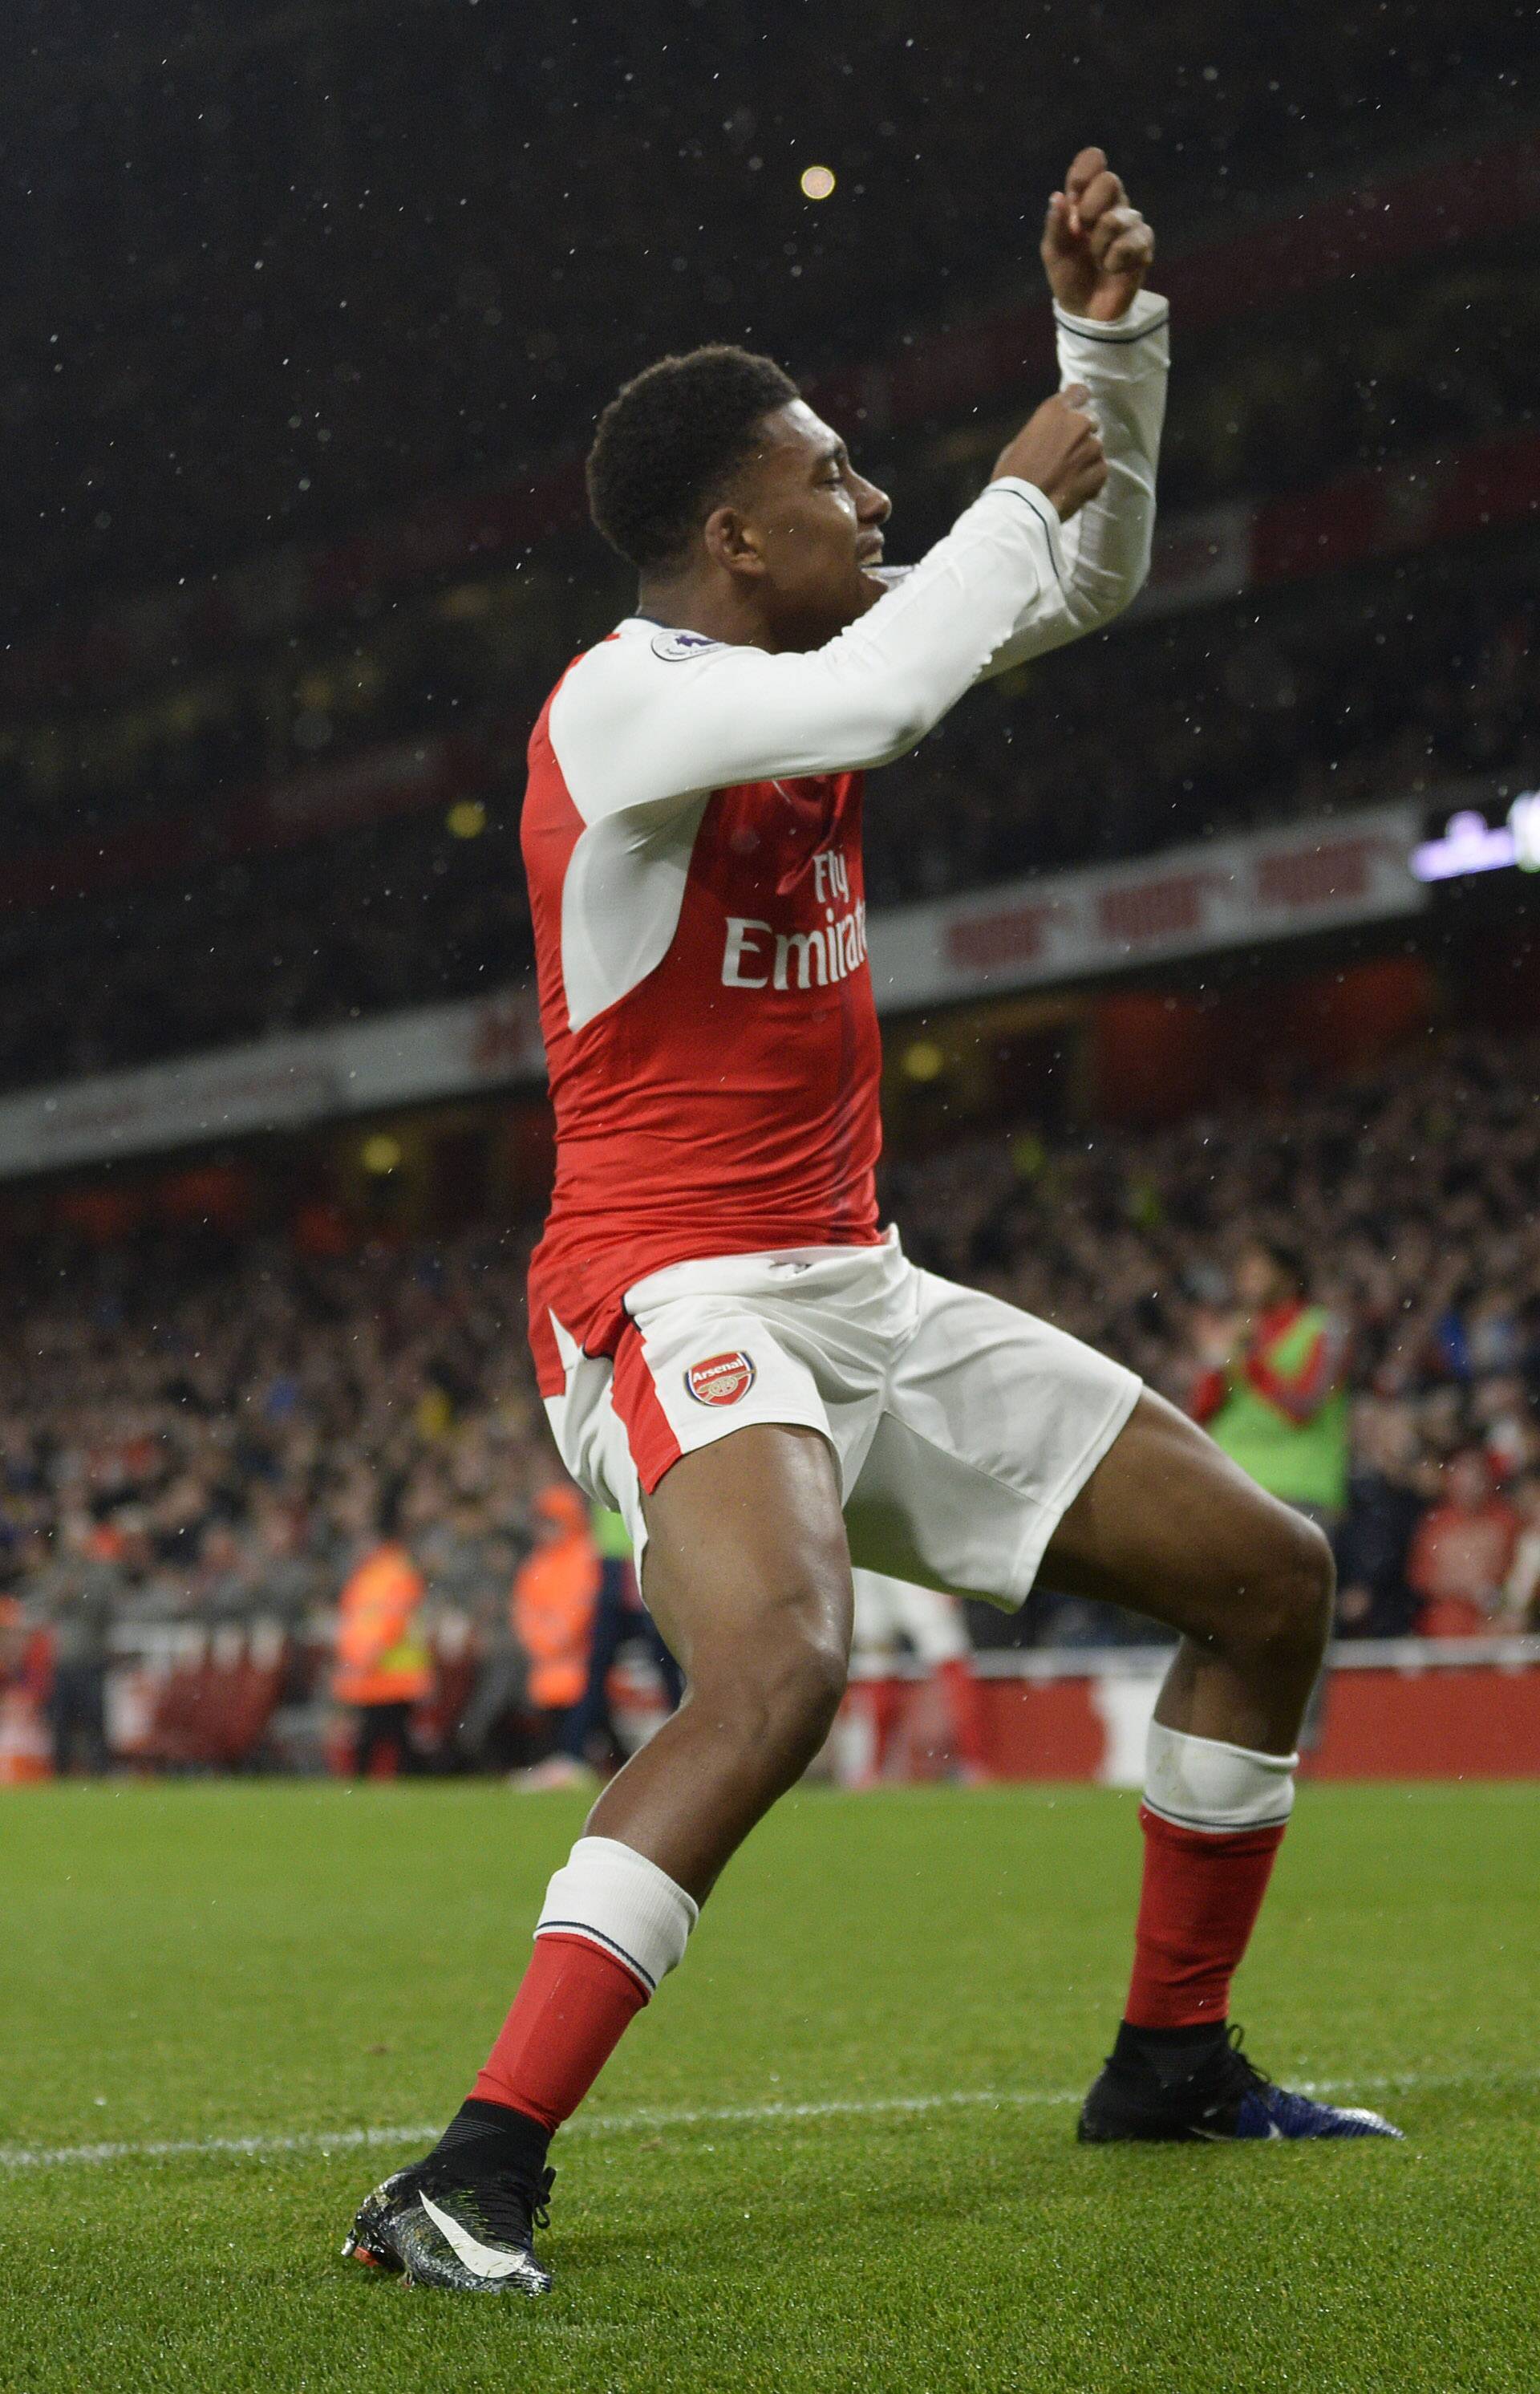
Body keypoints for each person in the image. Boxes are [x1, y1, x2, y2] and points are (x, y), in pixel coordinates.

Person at [345, 148, 1396, 2302]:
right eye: (837, 481)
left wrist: (1112, 353)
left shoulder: (806, 676)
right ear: (737, 535)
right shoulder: (623, 704)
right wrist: (1018, 477)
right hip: (667, 1283)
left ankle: (1172, 2065)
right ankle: (468, 2171)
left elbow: (1079, 590)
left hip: (856, 1278)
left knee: (1266, 1580)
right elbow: (903, 677)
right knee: (785, 1666)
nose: (878, 507)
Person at [845, 1567, 989, 1786]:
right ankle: (873, 1771)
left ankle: (975, 1764)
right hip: (864, 1566)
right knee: (874, 1667)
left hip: (908, 1560)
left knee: (949, 1658)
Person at [506, 1485, 602, 1791]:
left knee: (582, 1722)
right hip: (548, 1666)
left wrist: (554, 1637)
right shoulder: (538, 1562)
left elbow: (582, 1606)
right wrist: (543, 1639)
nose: (545, 1530)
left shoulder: (585, 1556)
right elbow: (523, 1608)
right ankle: (563, 1767)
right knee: (554, 1725)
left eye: (551, 1522)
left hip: (577, 1662)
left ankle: (575, 1766)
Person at [331, 1489, 431, 1779]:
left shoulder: (394, 1572)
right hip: (375, 1674)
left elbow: (393, 1620)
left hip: (393, 1672)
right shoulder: (369, 1575)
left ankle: (391, 1785)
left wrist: (367, 1655)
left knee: (383, 1737)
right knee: (388, 1737)